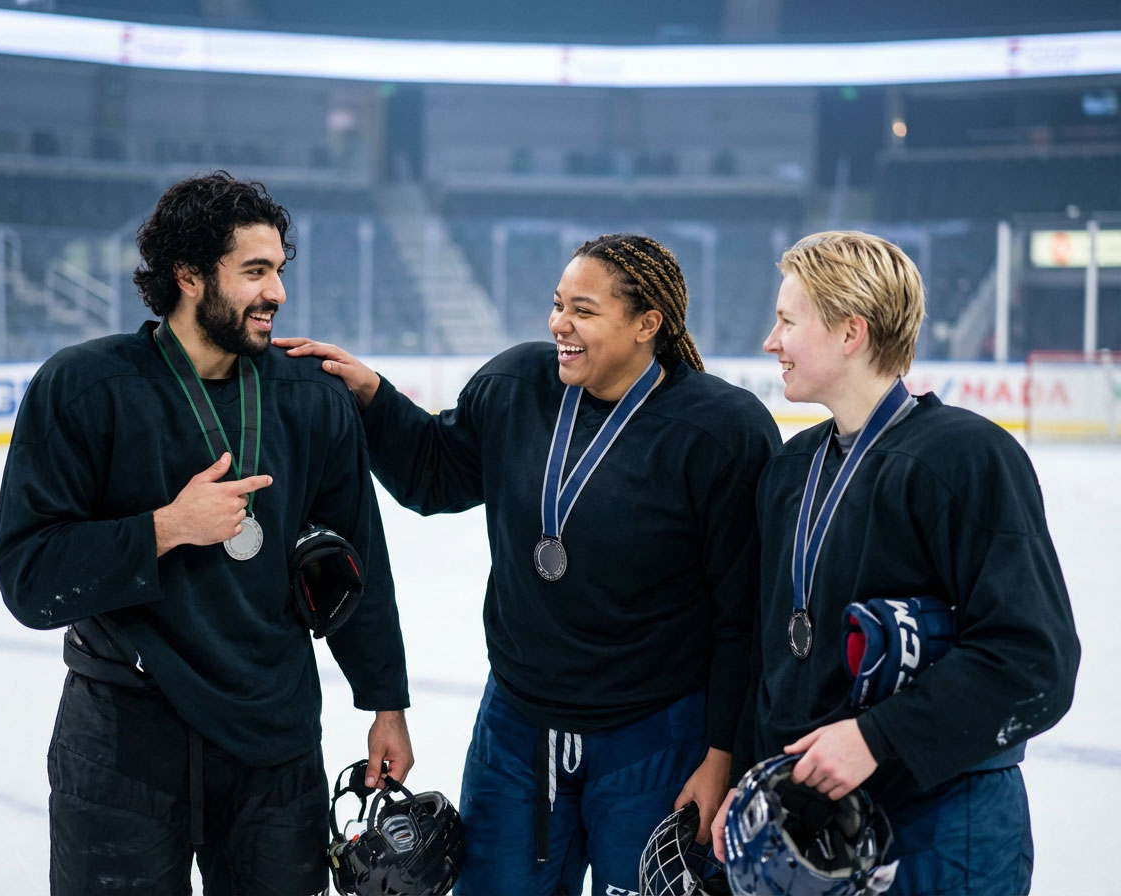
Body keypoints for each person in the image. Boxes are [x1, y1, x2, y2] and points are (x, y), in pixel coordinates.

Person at [275, 233, 781, 896]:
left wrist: (722, 755)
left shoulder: (721, 432)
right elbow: (435, 474)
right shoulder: (516, 386)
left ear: (646, 325)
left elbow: (742, 614)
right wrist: (374, 396)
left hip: (656, 737)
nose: (559, 325)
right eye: (557, 304)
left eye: (584, 310)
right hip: (517, 729)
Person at [0, 171, 413, 895]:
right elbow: (30, 579)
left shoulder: (311, 398)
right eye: (254, 271)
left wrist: (386, 704)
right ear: (188, 275)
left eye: (279, 270)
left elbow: (354, 566)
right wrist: (164, 528)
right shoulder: (85, 388)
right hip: (124, 738)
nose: (277, 292)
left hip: (272, 743)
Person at [711, 230, 1080, 895]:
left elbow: (1034, 663)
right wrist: (747, 779)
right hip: (815, 829)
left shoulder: (965, 458)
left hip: (943, 821)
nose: (771, 342)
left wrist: (879, 737)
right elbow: (772, 656)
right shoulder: (791, 470)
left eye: (788, 321)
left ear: (850, 333)